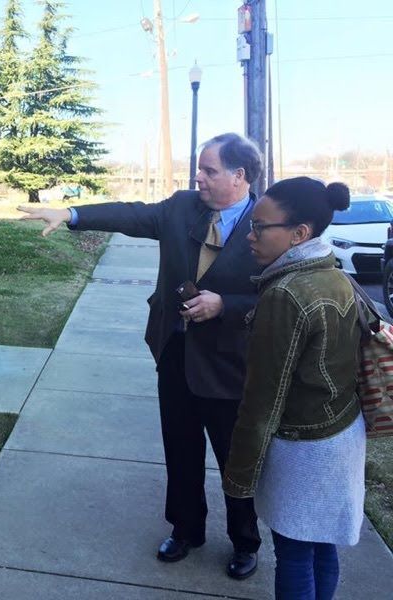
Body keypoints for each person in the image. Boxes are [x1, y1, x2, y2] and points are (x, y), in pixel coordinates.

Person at [19, 132, 263, 579]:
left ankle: (245, 540)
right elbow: (130, 215)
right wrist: (71, 213)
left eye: (209, 170)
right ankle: (186, 529)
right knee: (180, 447)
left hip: (230, 365)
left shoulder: (267, 224)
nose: (199, 177)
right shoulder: (182, 207)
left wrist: (225, 305)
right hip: (175, 352)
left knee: (234, 457)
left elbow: (279, 297)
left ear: (239, 176)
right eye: (199, 169)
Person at [223, 177, 365, 599]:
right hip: (340, 433)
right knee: (321, 547)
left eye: (260, 227)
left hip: (304, 448)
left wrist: (239, 476)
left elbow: (263, 398)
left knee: (295, 554)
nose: (250, 236)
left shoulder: (286, 292)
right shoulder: (331, 272)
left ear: (299, 233)